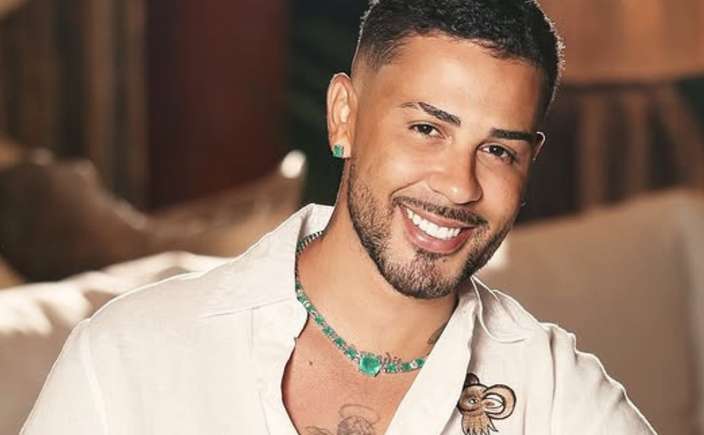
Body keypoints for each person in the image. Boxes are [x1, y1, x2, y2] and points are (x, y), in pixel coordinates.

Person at [22, 1, 656, 434]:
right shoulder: (130, 355)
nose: (459, 186)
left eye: (497, 151)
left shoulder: (557, 395)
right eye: (427, 128)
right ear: (343, 116)